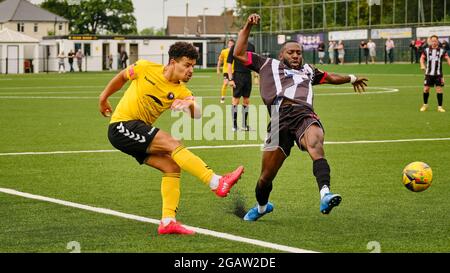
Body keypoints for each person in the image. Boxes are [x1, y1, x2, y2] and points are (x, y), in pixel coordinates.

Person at [98, 42, 244, 235]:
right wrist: (104, 96)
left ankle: (167, 221)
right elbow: (122, 77)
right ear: (173, 62)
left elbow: (197, 113)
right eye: (186, 65)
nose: (191, 70)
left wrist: (188, 105)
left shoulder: (182, 91)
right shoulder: (144, 67)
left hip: (136, 132)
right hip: (121, 126)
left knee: (171, 167)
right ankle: (216, 182)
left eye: (193, 66)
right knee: (173, 143)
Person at [232, 14, 368, 221]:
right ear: (282, 54)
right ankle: (261, 207)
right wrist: (249, 25)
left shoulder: (308, 70)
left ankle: (325, 194)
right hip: (279, 118)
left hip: (303, 114)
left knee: (315, 143)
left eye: (299, 53)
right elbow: (239, 53)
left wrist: (352, 78)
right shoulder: (267, 64)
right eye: (291, 52)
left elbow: (330, 77)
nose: (296, 56)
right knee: (265, 177)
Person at [227, 39, 255, 131]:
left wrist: (256, 76)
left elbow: (253, 63)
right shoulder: (234, 46)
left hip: (248, 76)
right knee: (236, 100)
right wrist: (230, 79)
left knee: (246, 101)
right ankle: (234, 125)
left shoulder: (251, 46)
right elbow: (229, 63)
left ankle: (244, 125)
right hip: (237, 76)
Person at [419, 35, 450, 113]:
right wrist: (422, 65)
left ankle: (440, 107)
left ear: (437, 41)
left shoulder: (442, 50)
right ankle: (425, 105)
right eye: (432, 41)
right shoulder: (426, 50)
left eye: (435, 41)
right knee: (426, 89)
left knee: (439, 89)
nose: (433, 42)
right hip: (428, 74)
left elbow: (447, 58)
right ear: (430, 41)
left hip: (438, 74)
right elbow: (422, 58)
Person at [216, 39, 235, 103]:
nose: (231, 45)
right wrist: (218, 69)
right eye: (229, 43)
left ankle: (234, 97)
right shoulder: (224, 51)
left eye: (232, 44)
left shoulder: (235, 52)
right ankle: (222, 97)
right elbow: (220, 61)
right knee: (225, 83)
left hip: (234, 71)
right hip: (226, 70)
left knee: (232, 85)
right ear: (228, 44)